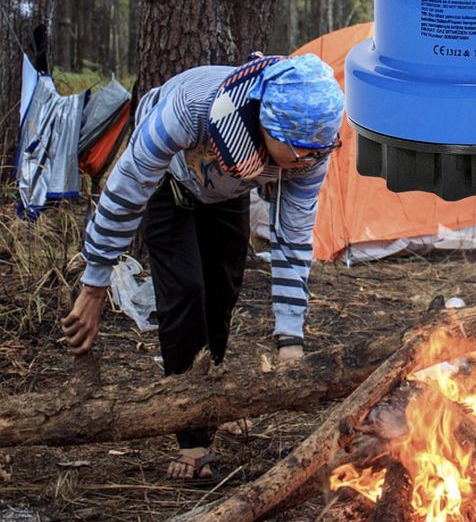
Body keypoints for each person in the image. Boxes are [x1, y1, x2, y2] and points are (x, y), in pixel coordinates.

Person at [62, 52, 345, 483]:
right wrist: (95, 283)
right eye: (300, 150)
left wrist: (291, 338)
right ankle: (191, 434)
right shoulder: (188, 109)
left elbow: (293, 237)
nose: (308, 160)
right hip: (168, 183)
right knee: (185, 294)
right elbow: (124, 191)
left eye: (318, 152)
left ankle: (211, 402)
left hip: (227, 191)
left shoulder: (310, 147)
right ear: (266, 123)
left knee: (223, 290)